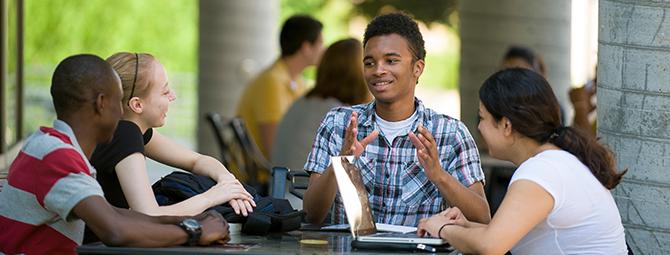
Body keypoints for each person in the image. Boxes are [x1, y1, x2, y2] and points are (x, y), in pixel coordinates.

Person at [0, 54, 229, 254]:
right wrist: (195, 232)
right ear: (102, 104)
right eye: (118, 101)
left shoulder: (47, 144)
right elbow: (114, 231)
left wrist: (188, 221)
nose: (122, 112)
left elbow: (115, 214)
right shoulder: (57, 156)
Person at [302, 12, 490, 226]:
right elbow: (311, 215)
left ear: (417, 68)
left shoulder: (450, 133)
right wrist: (342, 163)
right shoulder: (339, 123)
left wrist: (438, 175)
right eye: (369, 63)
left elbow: (482, 218)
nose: (378, 70)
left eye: (391, 61)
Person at [417, 68, 627, 254]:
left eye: (482, 118)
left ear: (506, 126)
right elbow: (501, 235)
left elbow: (490, 246)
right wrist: (464, 227)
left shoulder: (541, 171)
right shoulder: (558, 160)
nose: (479, 127)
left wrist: (442, 228)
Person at [90, 52, 255, 218]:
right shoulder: (125, 133)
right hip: (94, 244)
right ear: (137, 104)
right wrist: (212, 196)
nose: (173, 96)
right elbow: (149, 215)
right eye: (165, 92)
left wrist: (227, 181)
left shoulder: (125, 129)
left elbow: (197, 161)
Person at [272, 38, 372, 172]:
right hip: (302, 189)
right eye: (370, 64)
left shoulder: (304, 102)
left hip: (281, 187)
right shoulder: (338, 114)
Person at [237, 15, 324, 162]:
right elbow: (274, 149)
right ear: (306, 48)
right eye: (321, 43)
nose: (325, 49)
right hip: (263, 177)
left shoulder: (296, 81)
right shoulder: (271, 82)